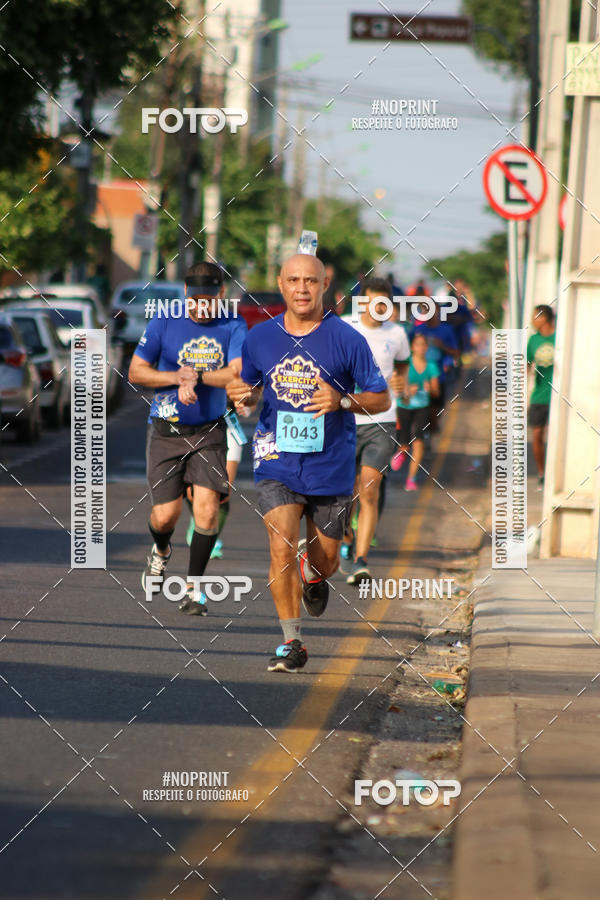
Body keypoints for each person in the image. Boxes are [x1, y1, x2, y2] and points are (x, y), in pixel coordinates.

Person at [227, 253, 390, 673]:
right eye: (294, 280)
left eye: (311, 281)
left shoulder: (347, 340)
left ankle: (313, 574)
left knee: (327, 560)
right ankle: (291, 641)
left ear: (324, 287)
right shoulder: (259, 337)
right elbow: (251, 384)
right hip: (276, 459)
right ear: (281, 285)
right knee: (280, 543)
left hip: (331, 465)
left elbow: (381, 397)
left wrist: (342, 400)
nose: (302, 288)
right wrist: (245, 396)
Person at [129, 261, 247, 615]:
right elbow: (137, 371)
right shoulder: (165, 321)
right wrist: (174, 378)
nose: (201, 306)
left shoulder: (233, 325)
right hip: (167, 431)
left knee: (208, 509)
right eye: (195, 299)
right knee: (165, 516)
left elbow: (237, 372)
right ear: (185, 294)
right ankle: (162, 550)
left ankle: (195, 590)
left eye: (208, 299)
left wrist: (195, 376)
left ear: (221, 294)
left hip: (210, 430)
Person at [341, 276, 409, 584]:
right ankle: (344, 537)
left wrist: (400, 383)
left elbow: (403, 364)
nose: (377, 308)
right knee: (345, 491)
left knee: (369, 488)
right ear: (362, 302)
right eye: (372, 301)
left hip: (382, 419)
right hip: (344, 419)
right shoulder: (344, 326)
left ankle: (361, 560)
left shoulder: (397, 334)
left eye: (384, 303)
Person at [393, 332, 440, 490]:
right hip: (404, 406)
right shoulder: (406, 364)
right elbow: (397, 387)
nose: (421, 348)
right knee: (405, 444)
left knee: (419, 442)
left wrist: (429, 388)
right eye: (418, 345)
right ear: (413, 347)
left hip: (422, 407)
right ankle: (402, 452)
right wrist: (407, 390)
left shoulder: (431, 366)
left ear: (427, 347)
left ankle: (411, 479)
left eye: (424, 345)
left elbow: (436, 392)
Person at [411, 302, 458, 432]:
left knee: (435, 408)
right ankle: (421, 433)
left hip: (439, 375)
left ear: (438, 312)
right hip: (419, 374)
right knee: (420, 407)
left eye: (433, 311)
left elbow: (455, 352)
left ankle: (432, 427)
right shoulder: (418, 330)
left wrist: (442, 346)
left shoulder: (446, 330)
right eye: (427, 311)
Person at [527, 304, 556, 487]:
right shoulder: (533, 340)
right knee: (537, 434)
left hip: (556, 397)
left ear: (543, 318)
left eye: (534, 316)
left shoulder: (559, 338)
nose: (532, 320)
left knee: (554, 436)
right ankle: (542, 472)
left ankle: (554, 472)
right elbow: (527, 363)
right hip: (539, 396)